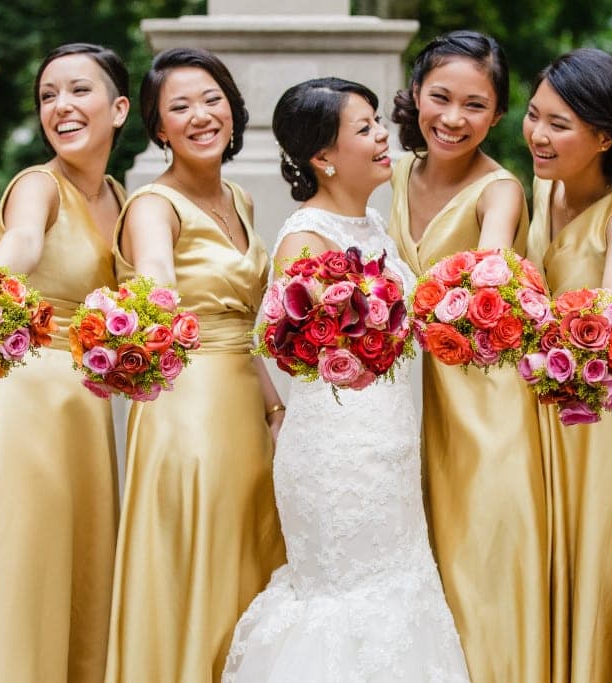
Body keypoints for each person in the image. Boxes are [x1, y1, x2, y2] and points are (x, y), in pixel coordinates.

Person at [222, 77, 470, 682]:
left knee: (399, 588)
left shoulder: (374, 229)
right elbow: (278, 343)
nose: (384, 135)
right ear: (324, 157)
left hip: (390, 443)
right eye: (365, 129)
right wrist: (282, 413)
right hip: (336, 455)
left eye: (377, 122)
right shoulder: (305, 238)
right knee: (345, 598)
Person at [104, 47, 285, 682]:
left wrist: (275, 407)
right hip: (188, 405)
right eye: (179, 107)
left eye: (211, 100)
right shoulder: (153, 206)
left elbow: (249, 327)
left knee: (248, 545)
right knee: (200, 546)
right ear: (158, 128)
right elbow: (154, 277)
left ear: (233, 112)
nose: (200, 115)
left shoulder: (240, 199)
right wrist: (152, 303)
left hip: (244, 401)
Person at [0, 43, 129, 683]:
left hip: (87, 404)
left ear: (120, 108)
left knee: (81, 564)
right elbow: (22, 242)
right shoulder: (36, 185)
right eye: (48, 95)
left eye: (79, 90)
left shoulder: (119, 195)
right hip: (29, 397)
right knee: (28, 559)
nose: (61, 106)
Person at [388, 31, 549, 683]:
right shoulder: (392, 173)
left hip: (485, 399)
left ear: (499, 114)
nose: (454, 119)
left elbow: (490, 265)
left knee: (481, 554)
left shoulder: (501, 189)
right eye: (441, 98)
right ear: (416, 95)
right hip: (409, 400)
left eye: (475, 105)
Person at [523, 48, 612, 683]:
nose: (537, 134)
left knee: (599, 559)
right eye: (533, 116)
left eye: (559, 124)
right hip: (540, 414)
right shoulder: (537, 190)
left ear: (604, 135)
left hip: (605, 418)